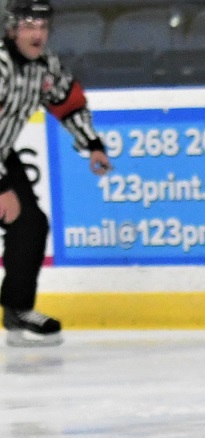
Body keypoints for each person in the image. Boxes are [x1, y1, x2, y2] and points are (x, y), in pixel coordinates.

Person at [0, 0, 111, 347]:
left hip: (3, 154)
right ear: (12, 28)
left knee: (31, 224)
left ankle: (17, 311)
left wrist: (92, 143)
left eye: (43, 27)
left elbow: (68, 101)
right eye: (30, 26)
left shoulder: (45, 67)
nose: (38, 34)